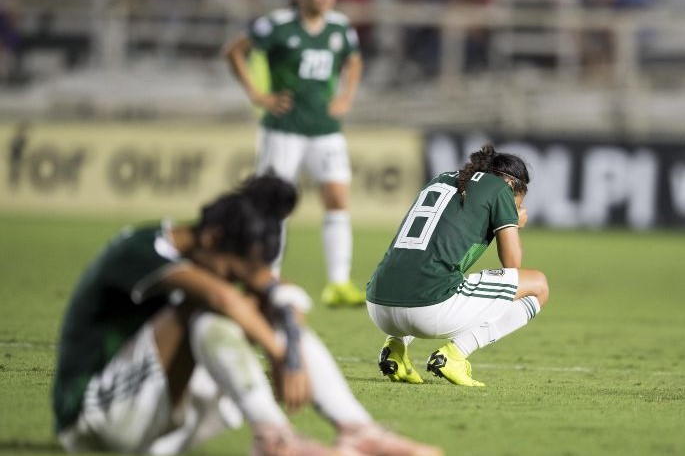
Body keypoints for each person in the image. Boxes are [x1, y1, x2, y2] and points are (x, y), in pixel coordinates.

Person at [52, 175, 443, 456]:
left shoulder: (214, 249)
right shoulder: (141, 248)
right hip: (97, 421)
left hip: (159, 426)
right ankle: (274, 438)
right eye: (231, 268)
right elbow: (223, 297)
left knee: (261, 307)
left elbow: (278, 291)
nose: (232, 278)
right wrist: (278, 353)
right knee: (205, 314)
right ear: (211, 238)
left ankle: (358, 432)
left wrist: (287, 334)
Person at [223, 0, 366, 307]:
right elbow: (233, 51)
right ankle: (267, 277)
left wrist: (346, 96)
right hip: (284, 129)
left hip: (325, 129)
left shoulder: (340, 27)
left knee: (337, 199)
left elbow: (354, 62)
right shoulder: (276, 25)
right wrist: (258, 95)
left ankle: (339, 283)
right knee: (273, 204)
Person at [366, 145, 550, 387]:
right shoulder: (500, 188)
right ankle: (454, 355)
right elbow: (512, 266)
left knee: (426, 270)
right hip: (427, 309)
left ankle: (395, 348)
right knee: (538, 285)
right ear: (513, 187)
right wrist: (512, 220)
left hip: (378, 304)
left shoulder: (440, 179)